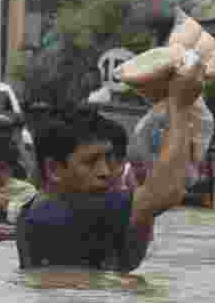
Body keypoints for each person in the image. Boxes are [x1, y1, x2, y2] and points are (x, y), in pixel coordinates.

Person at [16, 64, 203, 272]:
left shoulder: (34, 211)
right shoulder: (62, 211)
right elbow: (168, 192)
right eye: (90, 162)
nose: (105, 171)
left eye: (108, 159)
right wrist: (179, 105)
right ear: (53, 169)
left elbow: (126, 263)